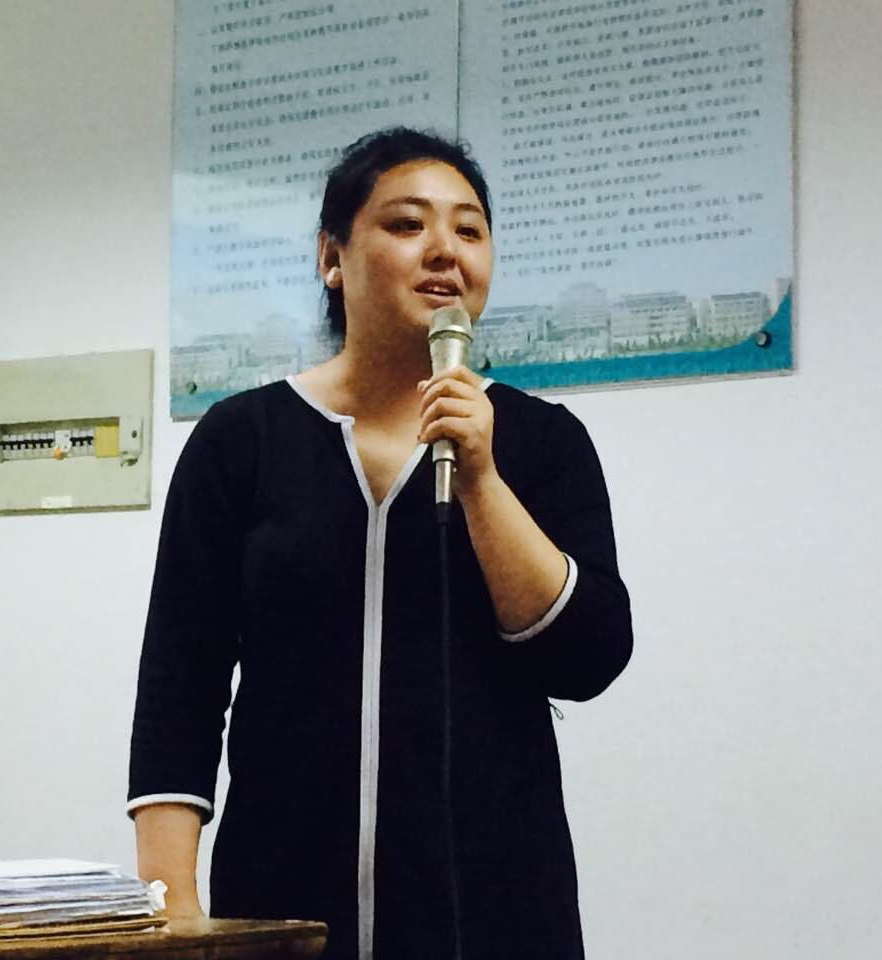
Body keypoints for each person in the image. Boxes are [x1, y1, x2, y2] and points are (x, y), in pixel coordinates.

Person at [128, 127, 633, 960]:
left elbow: (589, 657)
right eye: (407, 224)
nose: (445, 251)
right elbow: (179, 686)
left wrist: (481, 477)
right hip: (283, 905)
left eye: (469, 230)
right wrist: (170, 908)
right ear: (332, 256)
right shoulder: (241, 441)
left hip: (494, 909)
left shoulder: (541, 441)